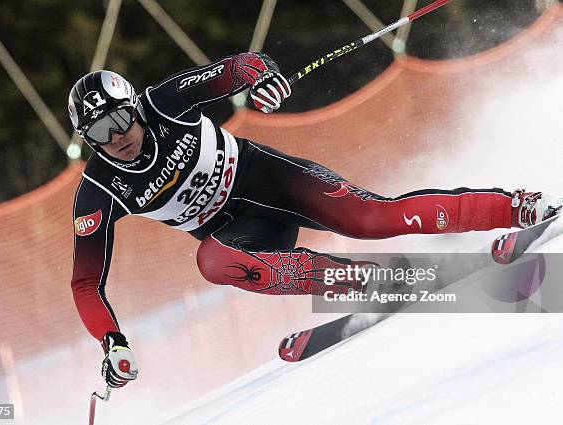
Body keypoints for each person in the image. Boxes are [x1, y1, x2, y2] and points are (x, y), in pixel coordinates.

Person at [67, 52, 561, 389]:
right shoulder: (99, 190)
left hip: (274, 182)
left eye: (119, 120)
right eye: (99, 133)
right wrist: (113, 343)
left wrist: (262, 79)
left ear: (133, 108)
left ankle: (522, 206)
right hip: (243, 233)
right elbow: (86, 283)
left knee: (373, 220)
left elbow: (242, 66)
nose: (116, 138)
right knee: (214, 263)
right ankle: (374, 285)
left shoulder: (162, 104)